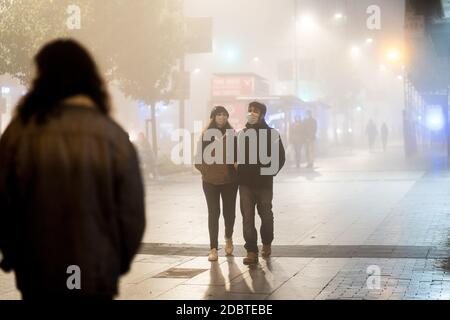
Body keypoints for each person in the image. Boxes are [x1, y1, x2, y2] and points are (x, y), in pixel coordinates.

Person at [0, 39, 145, 300]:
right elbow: (131, 213)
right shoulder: (112, 136)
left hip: (37, 269)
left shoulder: (19, 133)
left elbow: (4, 203)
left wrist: (13, 253)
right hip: (96, 269)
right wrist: (117, 261)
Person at [237, 101, 285, 265]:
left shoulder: (272, 134)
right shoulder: (241, 134)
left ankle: (266, 242)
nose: (251, 113)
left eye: (255, 111)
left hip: (264, 183)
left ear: (263, 114)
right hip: (245, 184)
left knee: (266, 216)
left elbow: (280, 157)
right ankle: (251, 251)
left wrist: (269, 172)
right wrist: (236, 166)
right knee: (247, 218)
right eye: (249, 110)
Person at [195, 106, 238, 262]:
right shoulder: (206, 135)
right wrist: (206, 171)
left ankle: (228, 237)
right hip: (210, 182)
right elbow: (198, 159)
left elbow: (238, 155)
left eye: (224, 114)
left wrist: (235, 166)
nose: (222, 117)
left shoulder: (233, 135)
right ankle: (213, 248)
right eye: (218, 114)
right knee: (213, 213)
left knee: (229, 213)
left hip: (230, 182)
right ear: (213, 117)